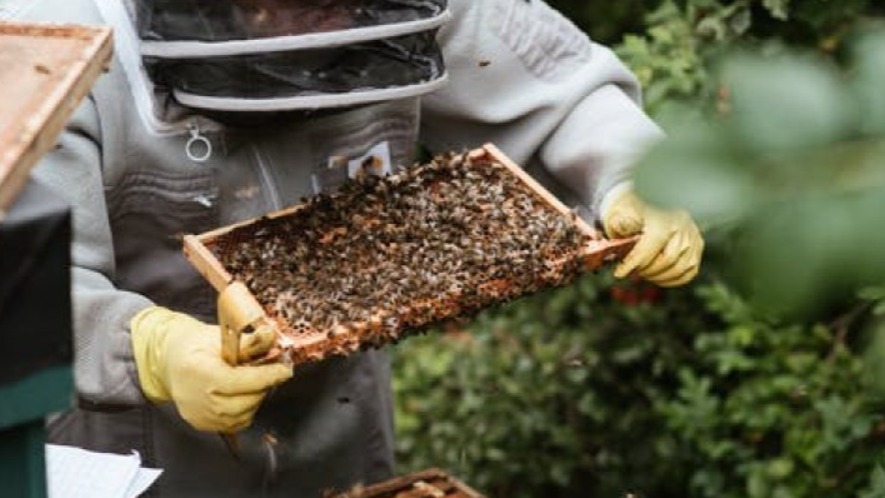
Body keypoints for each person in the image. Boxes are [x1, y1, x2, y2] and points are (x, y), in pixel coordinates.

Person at [13, 0, 703, 496]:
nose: (323, 23)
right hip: (132, 451)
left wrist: (633, 176)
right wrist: (149, 349)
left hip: (340, 430)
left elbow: (554, 86)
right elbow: (22, 281)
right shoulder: (48, 45)